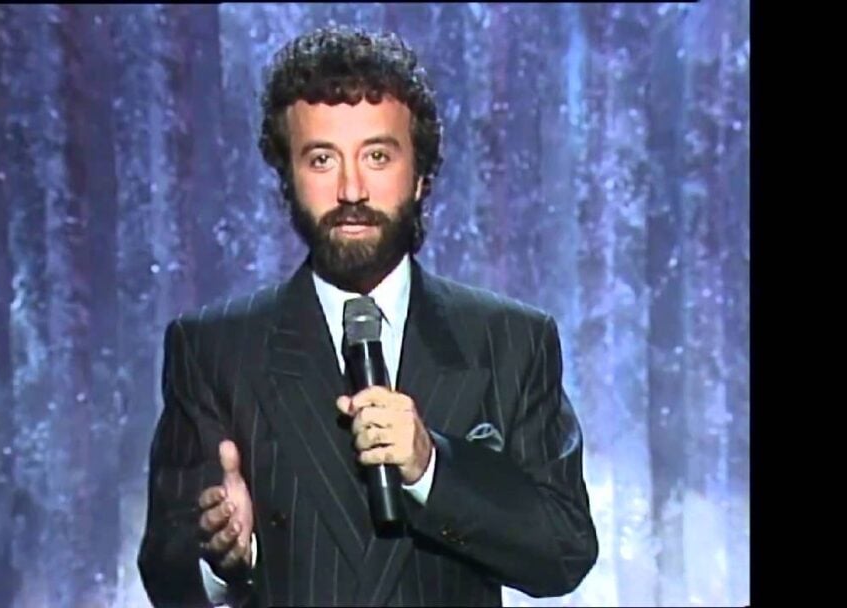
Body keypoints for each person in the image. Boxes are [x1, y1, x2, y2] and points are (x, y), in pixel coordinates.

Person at [137, 25, 598, 608]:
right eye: (321, 158)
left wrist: (433, 469)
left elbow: (565, 552)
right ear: (287, 180)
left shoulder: (510, 340)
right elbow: (163, 570)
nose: (351, 189)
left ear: (422, 175)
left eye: (377, 156)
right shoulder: (212, 349)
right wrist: (225, 561)